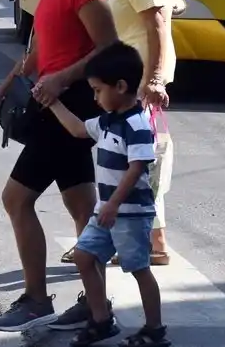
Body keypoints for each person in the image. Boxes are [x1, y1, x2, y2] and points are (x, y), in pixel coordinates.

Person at [0, 0, 118, 333]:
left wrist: (62, 79)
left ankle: (37, 300)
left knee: (16, 199)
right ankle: (97, 306)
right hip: (51, 101)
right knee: (82, 205)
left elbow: (110, 51)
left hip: (70, 108)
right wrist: (1, 93)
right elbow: (38, 53)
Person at [49, 41, 170, 347]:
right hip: (105, 211)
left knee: (139, 269)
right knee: (83, 256)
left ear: (120, 86)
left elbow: (137, 167)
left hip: (129, 214)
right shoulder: (107, 121)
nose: (95, 97)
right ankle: (101, 320)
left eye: (97, 90)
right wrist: (53, 103)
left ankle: (154, 329)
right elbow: (78, 129)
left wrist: (114, 204)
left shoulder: (136, 125)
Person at [88, 0, 175, 269]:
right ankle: (153, 242)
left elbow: (157, 26)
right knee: (129, 160)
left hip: (140, 82)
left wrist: (154, 80)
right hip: (123, 78)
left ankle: (146, 242)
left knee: (140, 162)